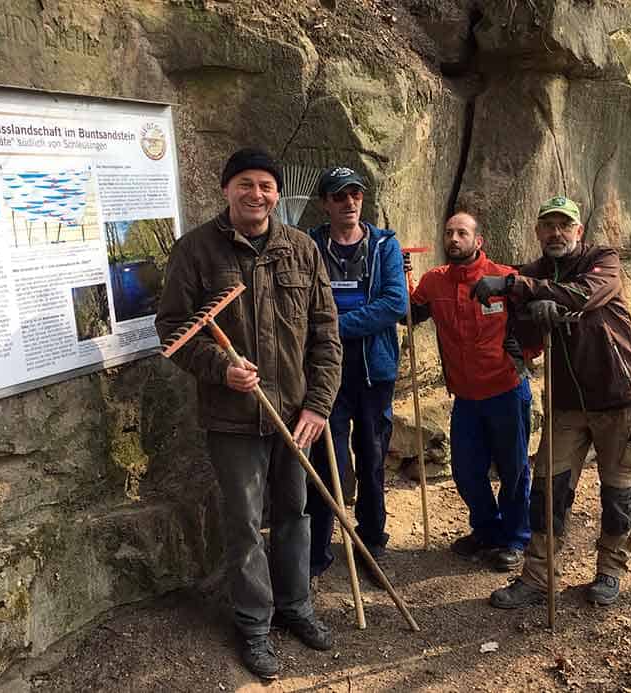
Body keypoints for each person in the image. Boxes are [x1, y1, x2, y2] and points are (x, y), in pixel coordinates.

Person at [155, 148, 342, 679]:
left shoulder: (301, 249)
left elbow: (327, 335)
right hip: (232, 417)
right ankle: (254, 626)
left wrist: (319, 403)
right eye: (245, 184)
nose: (256, 194)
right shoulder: (195, 251)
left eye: (265, 185)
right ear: (226, 189)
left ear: (277, 193)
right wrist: (221, 368)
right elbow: (172, 330)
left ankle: (295, 606)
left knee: (295, 514)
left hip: (293, 415)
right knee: (243, 524)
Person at [471, 195, 631, 609]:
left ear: (579, 231)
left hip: (619, 397)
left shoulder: (602, 260)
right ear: (537, 232)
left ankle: (610, 571)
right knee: (548, 491)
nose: (556, 233)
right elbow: (523, 335)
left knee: (617, 493)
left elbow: (583, 295)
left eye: (564, 225)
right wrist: (524, 311)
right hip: (567, 404)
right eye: (548, 226)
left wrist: (523, 288)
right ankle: (537, 578)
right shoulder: (533, 272)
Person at [404, 212, 531, 572]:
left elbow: (535, 320)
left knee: (514, 469)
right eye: (449, 233)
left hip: (506, 389)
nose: (454, 238)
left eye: (462, 233)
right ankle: (487, 530)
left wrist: (528, 353)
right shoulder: (435, 281)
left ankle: (516, 538)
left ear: (478, 241)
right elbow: (408, 314)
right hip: (466, 397)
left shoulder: (505, 278)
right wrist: (401, 278)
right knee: (466, 470)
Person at [305, 166, 407, 585]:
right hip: (324, 373)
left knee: (372, 457)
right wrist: (332, 326)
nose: (350, 203)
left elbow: (393, 304)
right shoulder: (310, 245)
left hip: (372, 371)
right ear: (327, 202)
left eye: (356, 195)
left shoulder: (384, 244)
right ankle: (318, 549)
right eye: (340, 196)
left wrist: (333, 326)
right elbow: (303, 305)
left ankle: (372, 540)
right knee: (326, 461)